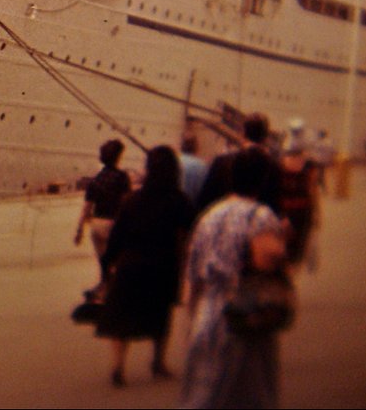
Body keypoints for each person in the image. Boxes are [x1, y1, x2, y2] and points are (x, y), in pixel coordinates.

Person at [181, 147, 289, 409]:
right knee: (249, 396)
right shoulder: (261, 216)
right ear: (262, 180)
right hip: (244, 315)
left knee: (203, 395)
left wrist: (192, 320)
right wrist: (282, 241)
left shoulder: (209, 216)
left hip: (208, 314)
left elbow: (191, 279)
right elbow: (267, 260)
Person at [96, 146, 195, 386]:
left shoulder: (132, 200)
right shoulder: (179, 200)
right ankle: (157, 362)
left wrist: (107, 264)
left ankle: (118, 366)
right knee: (161, 314)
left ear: (148, 169)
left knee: (122, 316)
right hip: (164, 264)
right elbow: (190, 231)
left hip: (131, 264)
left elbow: (117, 236)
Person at [74, 139, 131, 301]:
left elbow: (87, 207)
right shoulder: (122, 178)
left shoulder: (96, 180)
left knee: (104, 260)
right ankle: (113, 290)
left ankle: (104, 286)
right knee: (117, 260)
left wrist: (79, 230)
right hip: (113, 224)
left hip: (96, 224)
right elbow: (127, 202)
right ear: (117, 158)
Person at [195, 113, 281, 215]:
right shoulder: (274, 167)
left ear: (243, 133)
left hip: (223, 223)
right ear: (265, 138)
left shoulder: (221, 162)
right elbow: (275, 207)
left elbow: (205, 201)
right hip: (257, 226)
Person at [279, 124, 321, 267]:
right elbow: (312, 190)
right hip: (302, 212)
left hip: (283, 212)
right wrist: (317, 213)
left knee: (283, 250)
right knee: (296, 253)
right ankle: (290, 277)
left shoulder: (279, 163)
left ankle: (285, 275)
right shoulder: (310, 165)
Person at [178, 136, 208, 209]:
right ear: (195, 147)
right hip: (194, 209)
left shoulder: (174, 162)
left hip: (174, 209)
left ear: (181, 146)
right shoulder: (202, 166)